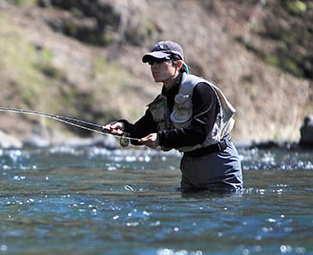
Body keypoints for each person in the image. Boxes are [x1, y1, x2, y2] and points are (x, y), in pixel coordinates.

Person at [104, 41, 243, 193]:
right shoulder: (163, 99)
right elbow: (141, 130)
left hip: (219, 163)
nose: (154, 66)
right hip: (190, 167)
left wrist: (161, 138)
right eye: (151, 62)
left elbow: (200, 132)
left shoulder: (201, 89)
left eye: (160, 61)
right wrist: (123, 127)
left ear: (177, 64)